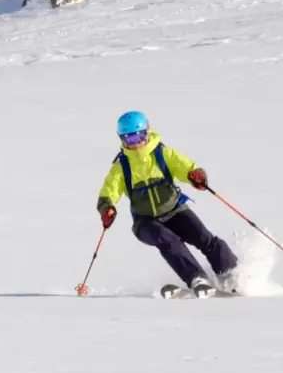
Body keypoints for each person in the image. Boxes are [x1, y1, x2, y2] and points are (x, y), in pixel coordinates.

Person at [96, 110, 239, 297]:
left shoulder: (162, 153)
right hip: (145, 222)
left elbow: (185, 167)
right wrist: (107, 208)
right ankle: (197, 278)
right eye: (129, 140)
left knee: (204, 238)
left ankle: (232, 274)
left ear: (147, 131)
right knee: (169, 241)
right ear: (122, 140)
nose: (136, 143)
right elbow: (108, 192)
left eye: (139, 136)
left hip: (175, 210)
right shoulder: (121, 166)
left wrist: (196, 176)